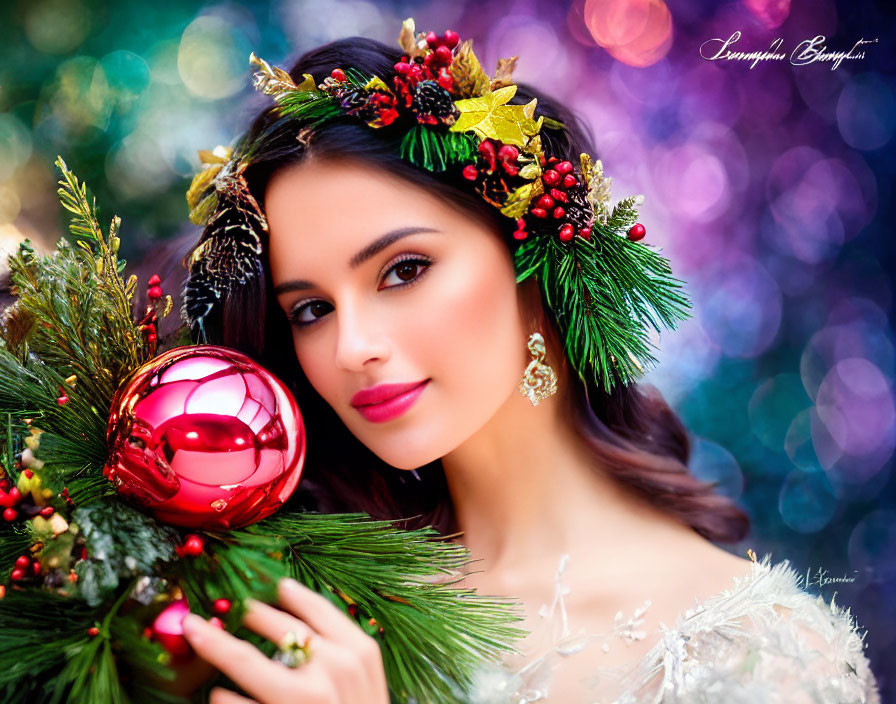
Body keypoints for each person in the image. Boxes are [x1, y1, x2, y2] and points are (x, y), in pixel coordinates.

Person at [166, 20, 880, 704]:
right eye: (311, 310)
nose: (352, 348)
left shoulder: (764, 656)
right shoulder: (298, 603)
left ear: (533, 263)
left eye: (403, 270)